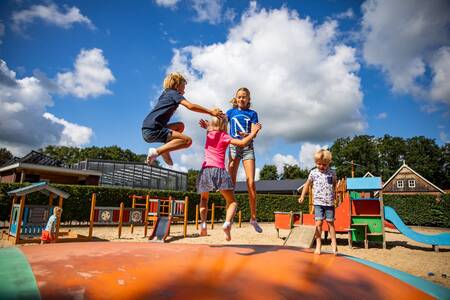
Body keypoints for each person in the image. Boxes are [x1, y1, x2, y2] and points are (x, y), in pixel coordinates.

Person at [197, 114, 261, 241]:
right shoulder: (225, 136)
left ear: (211, 126)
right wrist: (253, 132)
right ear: (224, 126)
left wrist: (207, 126)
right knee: (232, 202)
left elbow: (211, 128)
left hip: (205, 171)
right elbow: (242, 143)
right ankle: (227, 223)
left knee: (204, 200)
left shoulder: (208, 134)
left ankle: (203, 223)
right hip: (219, 171)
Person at [142, 72, 223, 166]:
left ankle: (165, 149)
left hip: (148, 127)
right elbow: (190, 106)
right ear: (177, 85)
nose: (184, 89)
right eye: (183, 86)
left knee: (180, 126)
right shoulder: (174, 93)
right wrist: (210, 112)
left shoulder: (166, 94)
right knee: (187, 141)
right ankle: (157, 151)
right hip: (154, 129)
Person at [226, 87, 262, 233]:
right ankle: (229, 218)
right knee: (231, 183)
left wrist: (249, 133)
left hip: (248, 148)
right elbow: (220, 125)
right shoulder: (230, 112)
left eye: (244, 97)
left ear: (248, 99)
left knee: (251, 182)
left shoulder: (252, 114)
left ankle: (253, 218)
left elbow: (254, 132)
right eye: (239, 97)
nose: (241, 99)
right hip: (234, 147)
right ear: (236, 98)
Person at [298, 149, 337, 255]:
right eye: (318, 164)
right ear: (316, 163)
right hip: (318, 202)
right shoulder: (313, 173)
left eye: (324, 164)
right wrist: (302, 196)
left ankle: (333, 243)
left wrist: (334, 194)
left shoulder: (332, 172)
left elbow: (334, 183)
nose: (321, 166)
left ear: (328, 163)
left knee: (330, 223)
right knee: (318, 223)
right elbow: (307, 184)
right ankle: (318, 244)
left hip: (329, 202)